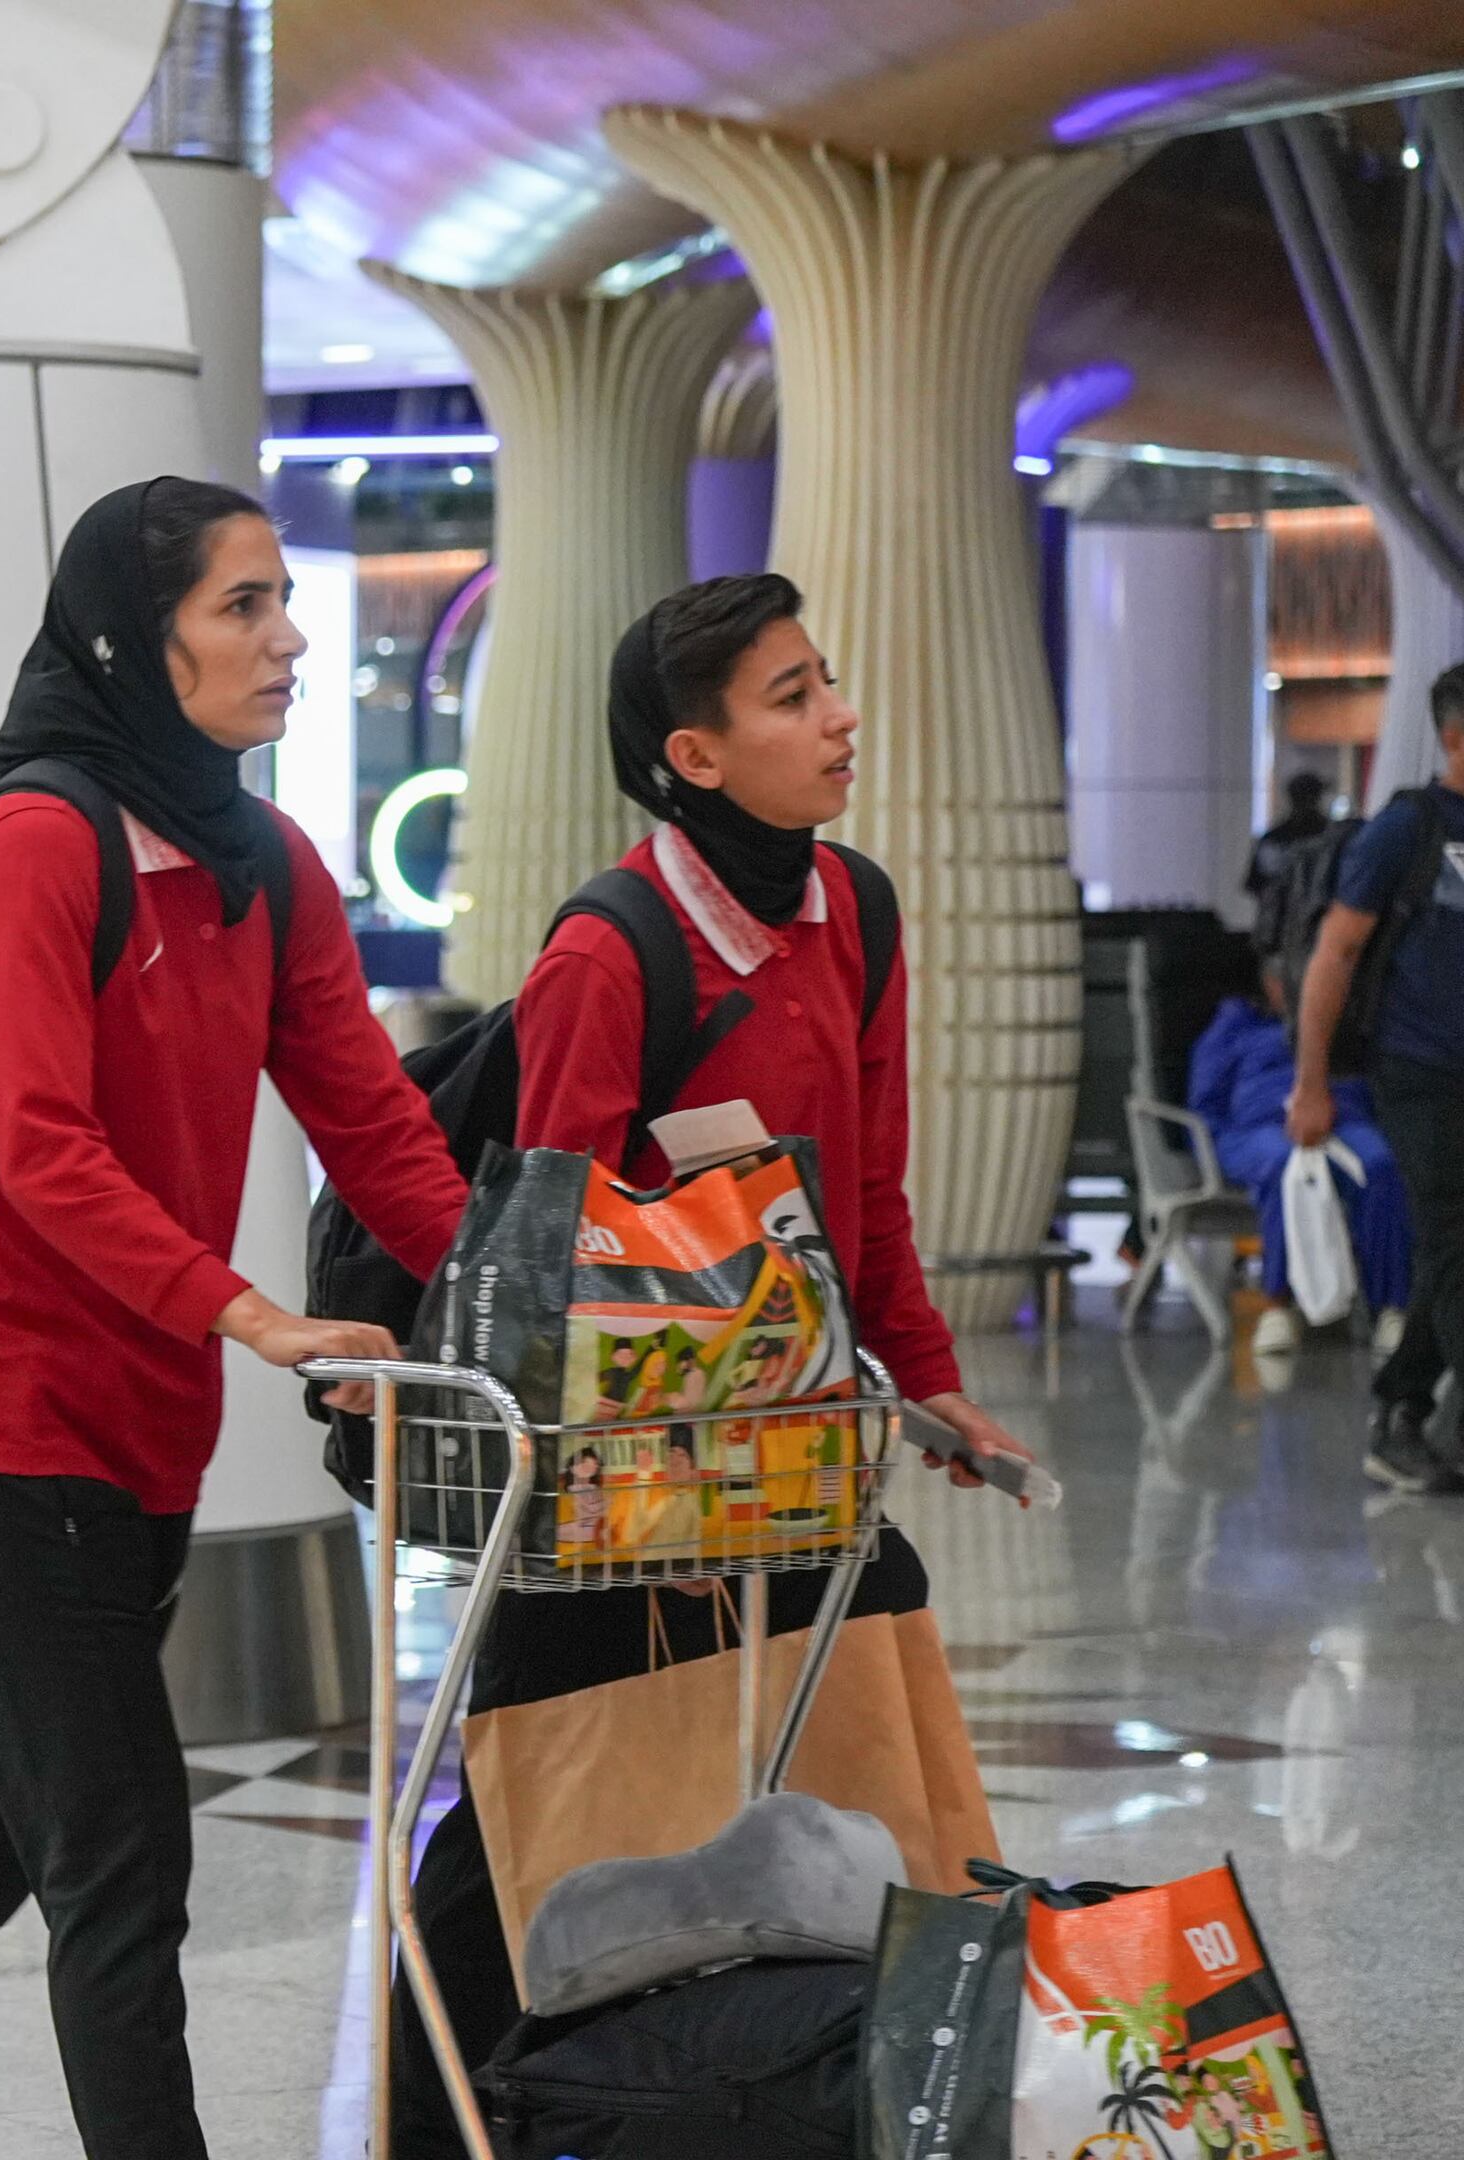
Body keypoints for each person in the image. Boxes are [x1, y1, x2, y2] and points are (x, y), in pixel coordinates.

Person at [0, 479, 470, 2160]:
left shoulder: (265, 862)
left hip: (135, 1424)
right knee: (123, 1856)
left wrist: (515, 1306)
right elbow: (41, 1150)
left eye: (285, 600)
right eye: (242, 608)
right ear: (132, 642)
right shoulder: (39, 843)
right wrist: (252, 1314)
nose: (286, 639)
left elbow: (370, 1121)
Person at [387, 572, 1039, 2150]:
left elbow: (862, 1192)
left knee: (885, 1778)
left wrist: (929, 1377)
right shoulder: (611, 953)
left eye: (828, 681)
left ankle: (886, 2103)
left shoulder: (854, 908)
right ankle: (450, 2123)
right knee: (541, 1815)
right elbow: (557, 1249)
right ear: (695, 754)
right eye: (796, 695)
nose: (841, 716)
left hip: (797, 1455)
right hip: (612, 1482)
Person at [1292, 660, 1464, 1493]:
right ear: (1457, 737)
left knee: (1450, 1254)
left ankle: (1400, 1410)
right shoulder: (1408, 829)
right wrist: (1310, 1083)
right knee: (1456, 1242)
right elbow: (1336, 952)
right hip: (1422, 1073)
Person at [1190, 989, 1410, 1356]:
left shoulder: (1349, 1018)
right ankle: (1278, 1304)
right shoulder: (1233, 1027)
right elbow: (1206, 1104)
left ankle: (1392, 1307)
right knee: (1289, 1168)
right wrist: (1214, 1151)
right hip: (1258, 1129)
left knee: (1381, 1167)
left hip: (1344, 1120)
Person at [1245, 767, 1337, 920]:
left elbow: (1255, 885)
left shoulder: (1272, 838)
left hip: (1279, 926)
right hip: (1317, 925)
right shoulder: (1331, 835)